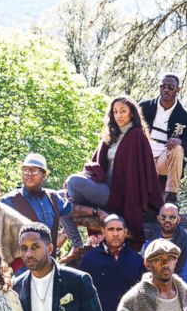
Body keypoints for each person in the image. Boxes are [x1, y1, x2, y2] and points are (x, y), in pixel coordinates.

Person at [65, 96, 163, 254]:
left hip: (118, 195)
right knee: (60, 198)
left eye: (123, 111)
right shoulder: (111, 136)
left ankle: (95, 214)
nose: (119, 115)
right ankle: (77, 243)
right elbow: (96, 165)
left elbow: (146, 171)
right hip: (103, 189)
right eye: (115, 111)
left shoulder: (137, 135)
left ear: (132, 113)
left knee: (73, 182)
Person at [1, 153, 96, 260]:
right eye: (26, 170)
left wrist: (97, 212)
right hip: (21, 268)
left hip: (50, 265)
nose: (29, 174)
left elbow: (74, 210)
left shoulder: (54, 197)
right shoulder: (8, 201)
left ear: (44, 175)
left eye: (34, 170)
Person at [138, 73, 187, 203]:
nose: (166, 90)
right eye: (162, 86)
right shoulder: (144, 107)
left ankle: (171, 195)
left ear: (178, 89)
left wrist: (181, 141)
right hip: (143, 158)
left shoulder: (185, 118)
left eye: (171, 87)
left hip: (163, 162)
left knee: (177, 148)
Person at [143, 202, 187, 294]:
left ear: (178, 220)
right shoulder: (148, 246)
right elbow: (142, 273)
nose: (167, 220)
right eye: (163, 217)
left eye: (172, 217)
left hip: (184, 302)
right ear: (158, 219)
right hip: (156, 301)